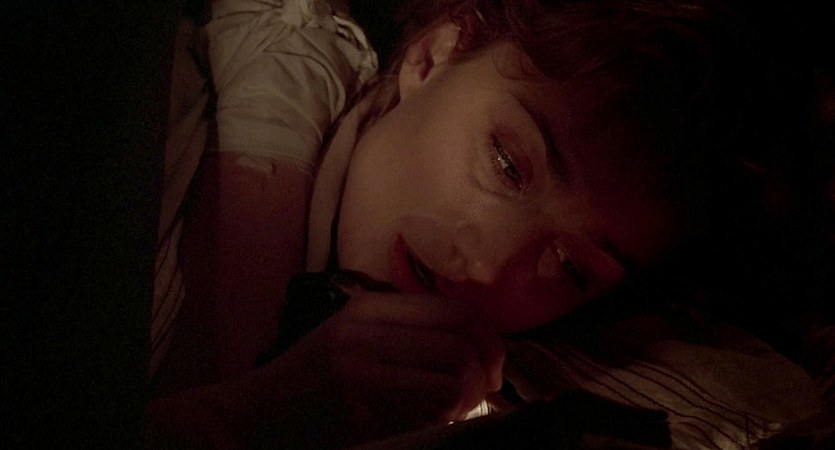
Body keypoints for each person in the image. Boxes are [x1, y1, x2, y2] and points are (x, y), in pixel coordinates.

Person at [147, 0, 828, 448]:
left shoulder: (552, 382)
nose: (488, 266)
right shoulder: (169, 136)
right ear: (432, 56)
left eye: (570, 267)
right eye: (507, 165)